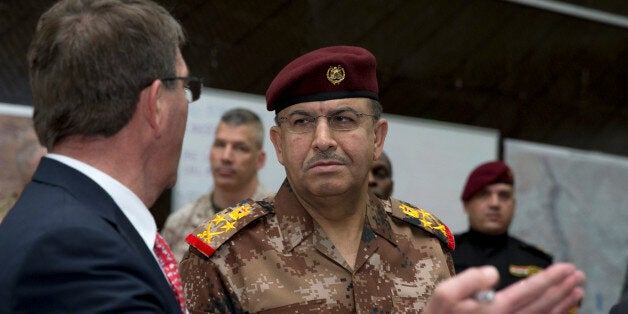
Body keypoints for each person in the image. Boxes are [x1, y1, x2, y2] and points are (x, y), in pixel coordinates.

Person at [180, 46, 585, 314]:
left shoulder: (426, 245)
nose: (323, 140)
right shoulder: (221, 258)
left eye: (344, 119)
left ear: (377, 138)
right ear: (279, 145)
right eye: (302, 122)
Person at [0, 0, 200, 312]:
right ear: (157, 104)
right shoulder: (77, 250)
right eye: (186, 87)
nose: (187, 103)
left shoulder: (66, 219)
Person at [162, 108, 272, 261]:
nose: (226, 157)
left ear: (259, 160)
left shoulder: (278, 220)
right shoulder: (180, 223)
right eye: (220, 145)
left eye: (240, 148)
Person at [452, 161, 553, 291]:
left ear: (514, 205)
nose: (495, 203)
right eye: (484, 194)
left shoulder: (537, 263)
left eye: (504, 195)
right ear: (466, 205)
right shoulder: (442, 254)